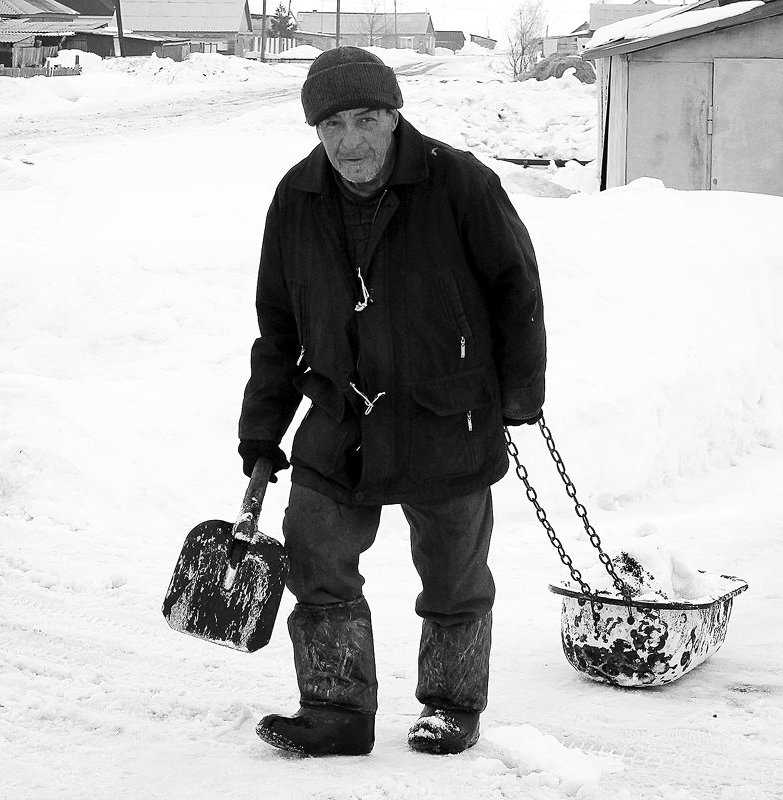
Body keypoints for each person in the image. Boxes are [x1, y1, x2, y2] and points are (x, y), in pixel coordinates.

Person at [237, 46, 546, 757]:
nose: (351, 142)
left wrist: (520, 395)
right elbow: (278, 324)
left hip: (447, 412)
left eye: (367, 118)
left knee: (453, 574)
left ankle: (451, 705)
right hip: (340, 415)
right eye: (333, 125)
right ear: (316, 130)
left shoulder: (458, 182)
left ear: (395, 113)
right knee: (315, 550)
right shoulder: (297, 197)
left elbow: (515, 290)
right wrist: (262, 431)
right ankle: (337, 710)